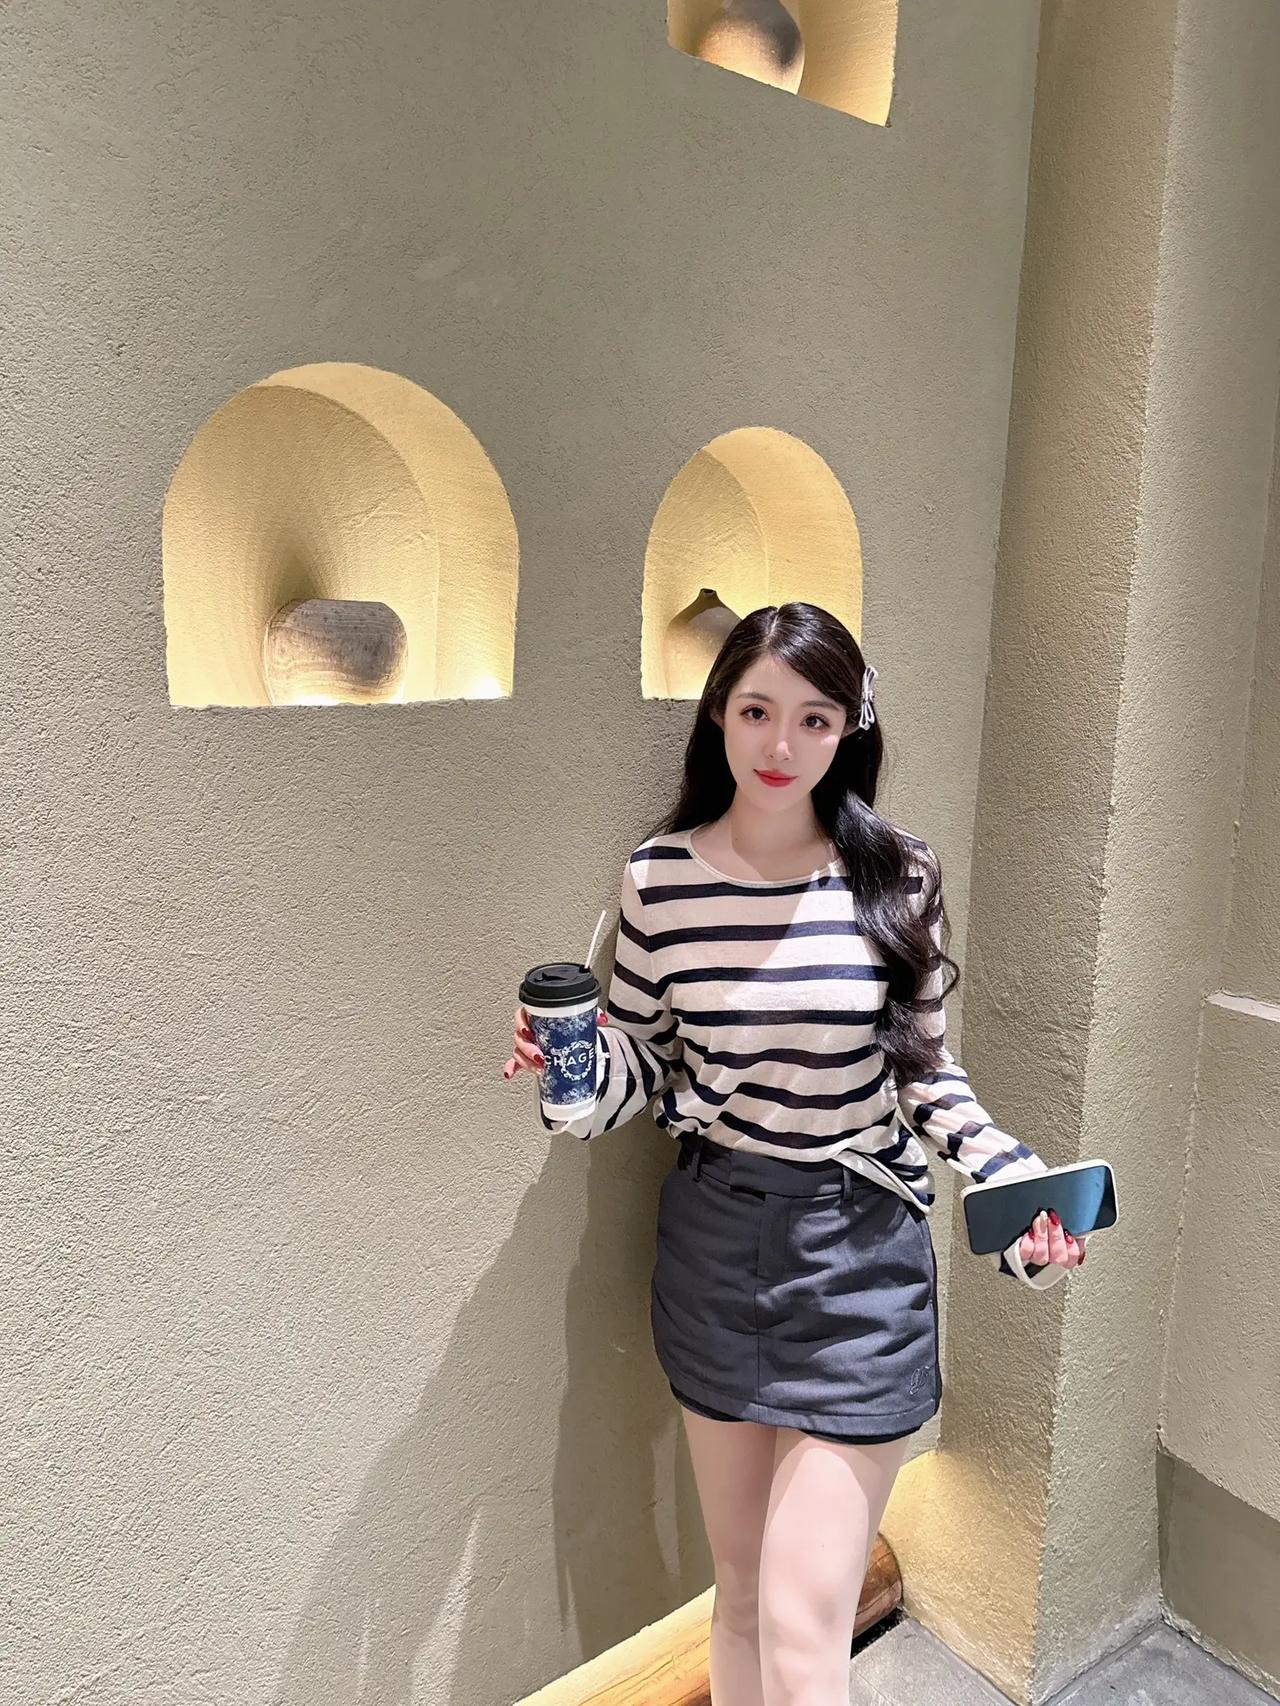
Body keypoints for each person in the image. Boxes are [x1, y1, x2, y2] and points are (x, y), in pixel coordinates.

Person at [502, 602, 1085, 1706]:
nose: (780, 744)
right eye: (756, 711)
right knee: (737, 1596)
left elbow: (926, 1075)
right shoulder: (658, 881)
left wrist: (1014, 1186)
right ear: (717, 714)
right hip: (715, 1244)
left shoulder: (896, 875)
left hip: (857, 1253)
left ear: (848, 727)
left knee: (803, 1615)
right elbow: (646, 1067)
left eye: (813, 718)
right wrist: (567, 1072)